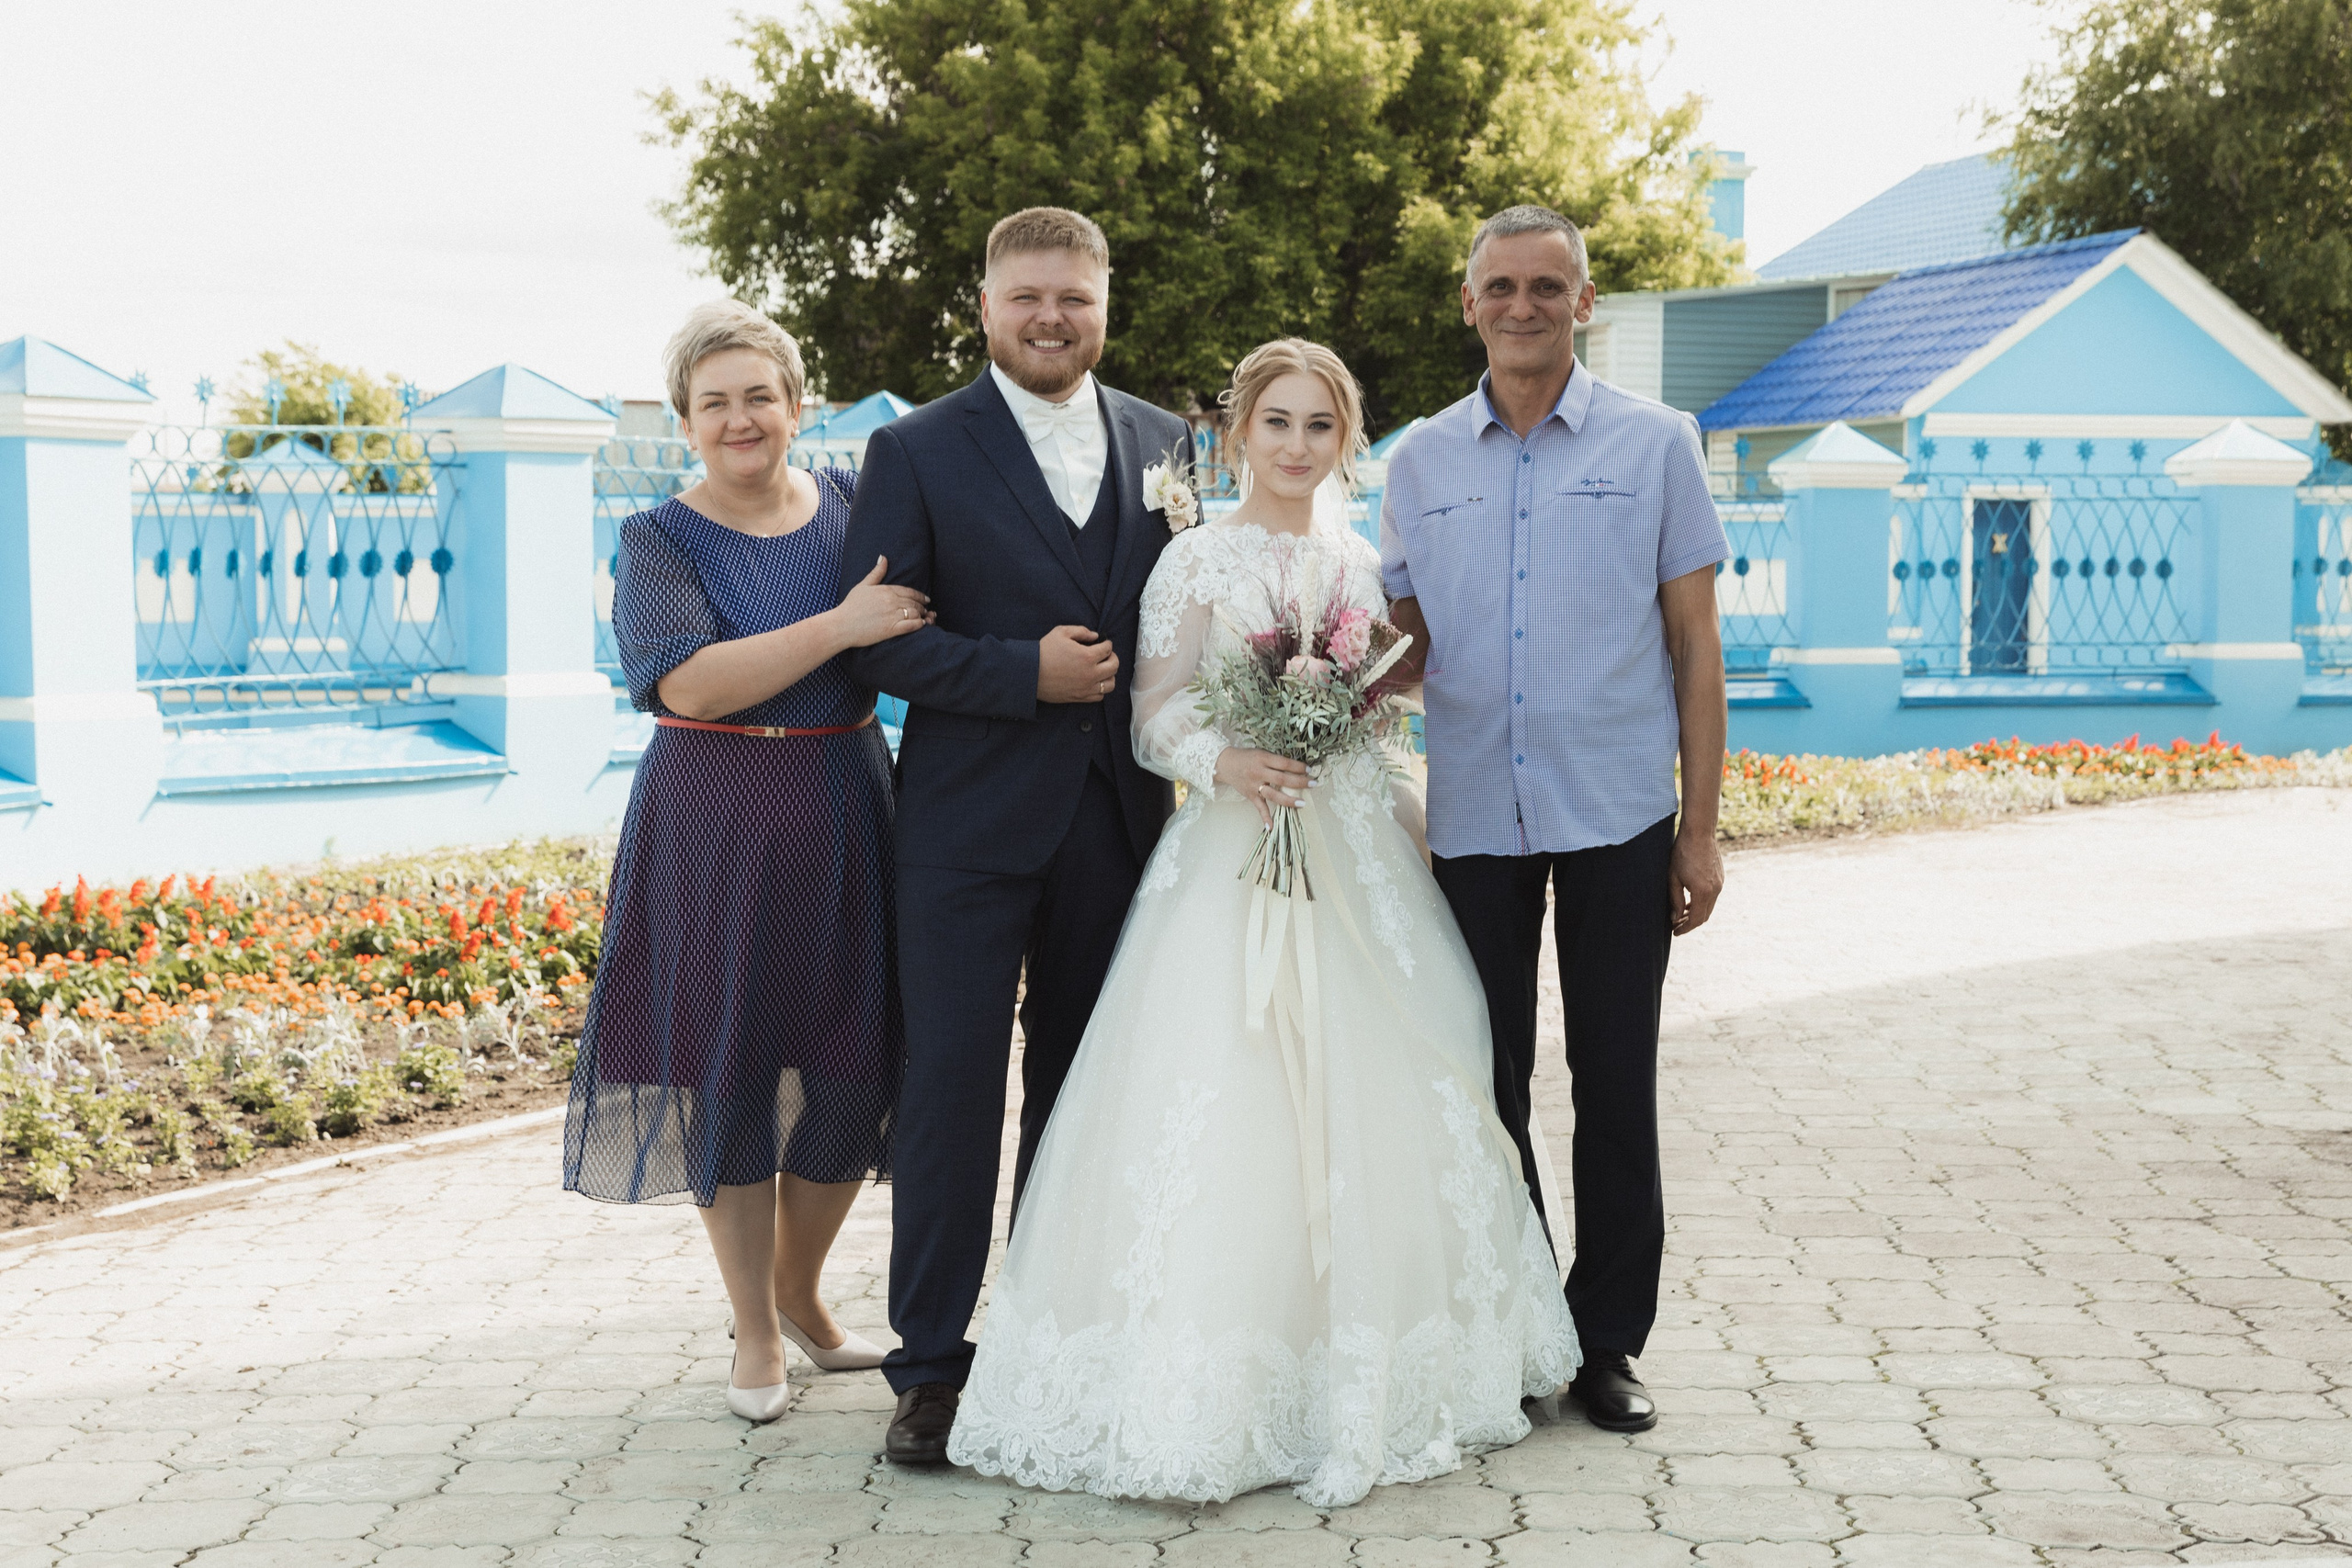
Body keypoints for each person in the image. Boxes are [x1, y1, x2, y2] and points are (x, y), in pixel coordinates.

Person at [945, 338, 1579, 1507]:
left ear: (1348, 439)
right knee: (1224, 1085)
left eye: (1320, 427)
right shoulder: (1193, 559)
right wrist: (1228, 755)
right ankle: (1206, 1387)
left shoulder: (1354, 560)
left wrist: (1369, 761)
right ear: (1239, 432)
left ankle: (1392, 1365)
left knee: (1399, 1074)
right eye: (1276, 423)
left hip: (1351, 847)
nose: (1296, 447)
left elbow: (1380, 706)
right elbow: (1150, 714)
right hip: (1236, 848)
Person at [836, 208, 1195, 1464]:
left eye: (1076, 299)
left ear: (1106, 303)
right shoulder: (916, 447)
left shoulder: (1167, 440)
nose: (1053, 319)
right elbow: (878, 632)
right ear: (985, 305)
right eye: (1029, 297)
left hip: (1117, 820)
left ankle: (1055, 1341)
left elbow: (1194, 610)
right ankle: (930, 1366)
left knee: (1082, 1094)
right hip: (964, 828)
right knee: (948, 1098)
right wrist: (1016, 671)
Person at [1381, 205, 1730, 1435]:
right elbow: (1402, 641)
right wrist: (1305, 698)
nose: (1522, 305)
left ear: (1584, 302)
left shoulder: (1658, 445)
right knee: (1489, 1085)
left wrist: (1701, 826)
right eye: (1500, 287)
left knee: (1617, 1079)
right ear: (1469, 303)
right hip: (1474, 812)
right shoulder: (1420, 460)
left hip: (1621, 812)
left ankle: (1612, 1339)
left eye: (1547, 286)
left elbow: (1696, 647)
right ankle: (1529, 1325)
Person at [562, 299, 929, 1424]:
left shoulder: (858, 508)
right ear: (685, 420)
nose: (739, 418)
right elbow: (690, 685)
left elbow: (923, 622)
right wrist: (838, 629)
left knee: (854, 1068)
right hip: (713, 819)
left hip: (846, 800)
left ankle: (805, 1297)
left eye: (757, 396)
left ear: (796, 405)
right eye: (713, 402)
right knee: (730, 1069)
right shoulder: (658, 538)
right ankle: (757, 1331)